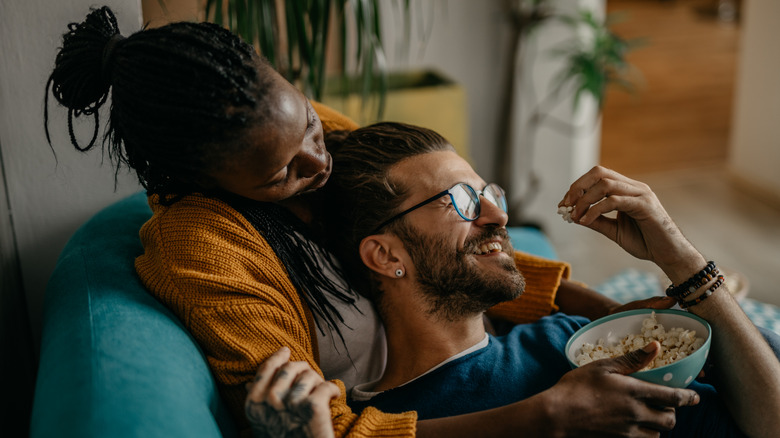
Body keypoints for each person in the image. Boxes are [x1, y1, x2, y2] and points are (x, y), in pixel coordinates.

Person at [44, 6, 731, 437]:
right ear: (204, 181)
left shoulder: (315, 139)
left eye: (310, 126)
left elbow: (454, 239)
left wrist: (614, 317)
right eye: (281, 174)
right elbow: (326, 425)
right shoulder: (199, 250)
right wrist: (542, 417)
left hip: (494, 348)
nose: (320, 162)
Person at [318, 122, 780, 437]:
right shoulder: (381, 425)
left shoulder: (572, 340)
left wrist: (679, 257)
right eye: (460, 201)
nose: (499, 214)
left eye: (488, 193)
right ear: (384, 254)